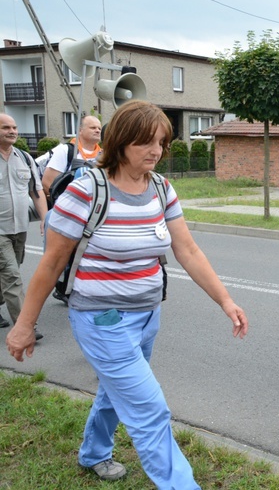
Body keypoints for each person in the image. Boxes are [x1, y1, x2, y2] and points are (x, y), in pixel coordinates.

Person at [5, 100, 248, 488]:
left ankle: (94, 453)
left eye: (162, 143)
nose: (156, 151)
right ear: (121, 142)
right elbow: (51, 265)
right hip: (101, 318)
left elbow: (187, 249)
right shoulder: (87, 191)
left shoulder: (160, 187)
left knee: (116, 390)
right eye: (145, 143)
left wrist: (225, 300)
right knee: (149, 408)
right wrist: (24, 325)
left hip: (148, 314)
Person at [41, 115, 103, 305]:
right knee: (59, 250)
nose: (97, 130)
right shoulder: (66, 151)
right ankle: (56, 279)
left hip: (95, 212)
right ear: (80, 131)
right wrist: (66, 206)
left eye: (99, 128)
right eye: (92, 127)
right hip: (68, 211)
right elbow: (48, 182)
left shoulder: (104, 154)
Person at [0, 113, 48, 338]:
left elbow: (36, 191)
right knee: (11, 275)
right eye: (5, 127)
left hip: (19, 228)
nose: (12, 131)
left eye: (14, 127)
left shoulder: (25, 158)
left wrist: (45, 220)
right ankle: (25, 328)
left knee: (11, 270)